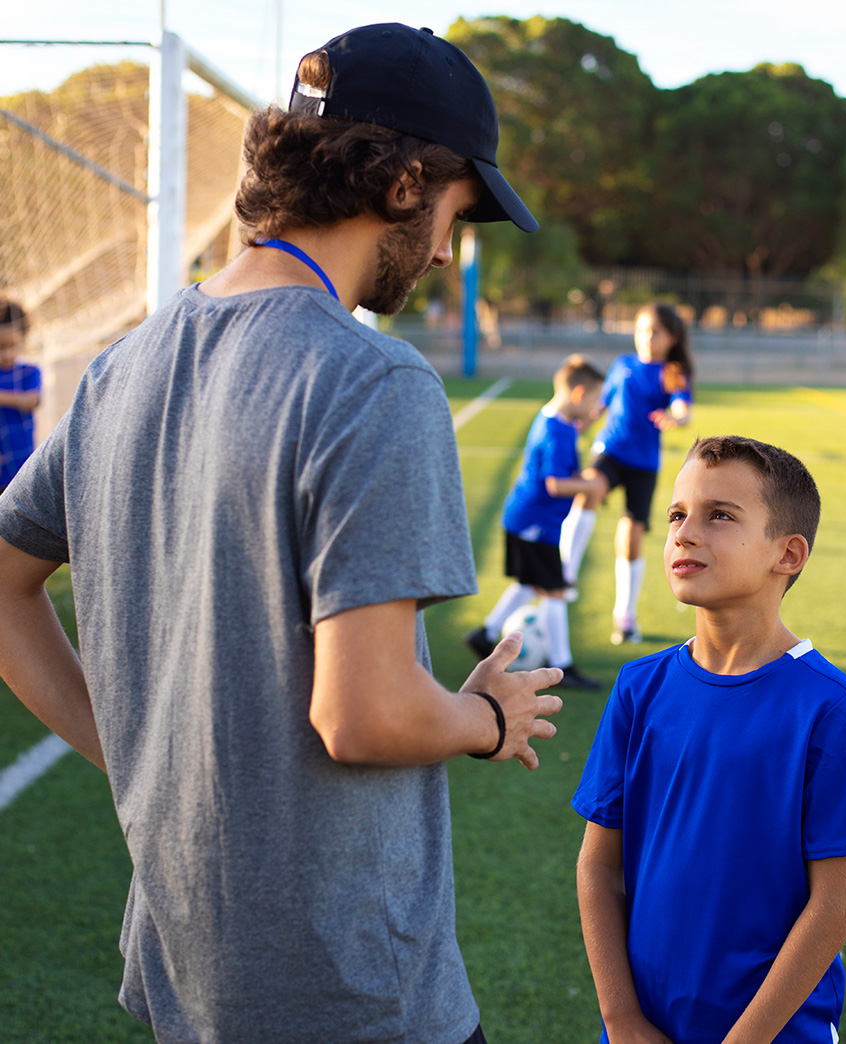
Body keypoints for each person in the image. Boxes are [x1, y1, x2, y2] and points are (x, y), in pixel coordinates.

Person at [0, 24, 564, 1044]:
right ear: (401, 182)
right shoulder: (376, 382)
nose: (445, 247)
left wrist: (132, 754)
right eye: (456, 211)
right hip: (349, 994)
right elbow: (367, 714)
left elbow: (2, 578)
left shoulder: (127, 362)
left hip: (188, 978)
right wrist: (488, 720)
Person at [573, 435, 846, 1044]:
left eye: (719, 516)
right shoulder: (639, 686)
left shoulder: (829, 706)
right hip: (641, 1029)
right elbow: (598, 866)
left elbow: (833, 908)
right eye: (677, 515)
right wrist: (621, 1020)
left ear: (789, 554)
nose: (684, 533)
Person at [464, 354, 606, 690]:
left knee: (531, 583)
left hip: (528, 519)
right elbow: (555, 484)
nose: (597, 406)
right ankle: (562, 666)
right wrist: (591, 484)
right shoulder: (557, 431)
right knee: (555, 590)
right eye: (595, 399)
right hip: (535, 524)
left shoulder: (554, 418)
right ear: (577, 395)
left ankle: (484, 634)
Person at [560, 302, 693, 645]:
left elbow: (682, 408)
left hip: (644, 463)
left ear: (671, 337)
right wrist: (575, 422)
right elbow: (598, 405)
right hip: (610, 451)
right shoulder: (622, 365)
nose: (647, 338)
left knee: (631, 537)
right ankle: (565, 572)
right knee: (588, 489)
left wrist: (676, 419)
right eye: (641, 330)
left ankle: (625, 616)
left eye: (655, 332)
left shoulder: (672, 371)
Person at [0, 299, 42, 494]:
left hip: (22, 465)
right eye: (1, 347)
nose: (7, 353)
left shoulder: (29, 372)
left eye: (13, 346)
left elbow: (31, 400)